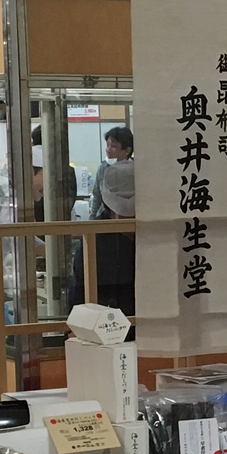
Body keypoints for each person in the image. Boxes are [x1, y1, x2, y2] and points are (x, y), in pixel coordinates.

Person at [88, 125, 135, 314]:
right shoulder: (103, 168)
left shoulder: (135, 170)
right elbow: (96, 196)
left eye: (114, 146)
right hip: (105, 220)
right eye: (108, 145)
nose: (109, 149)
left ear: (127, 150)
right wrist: (93, 221)